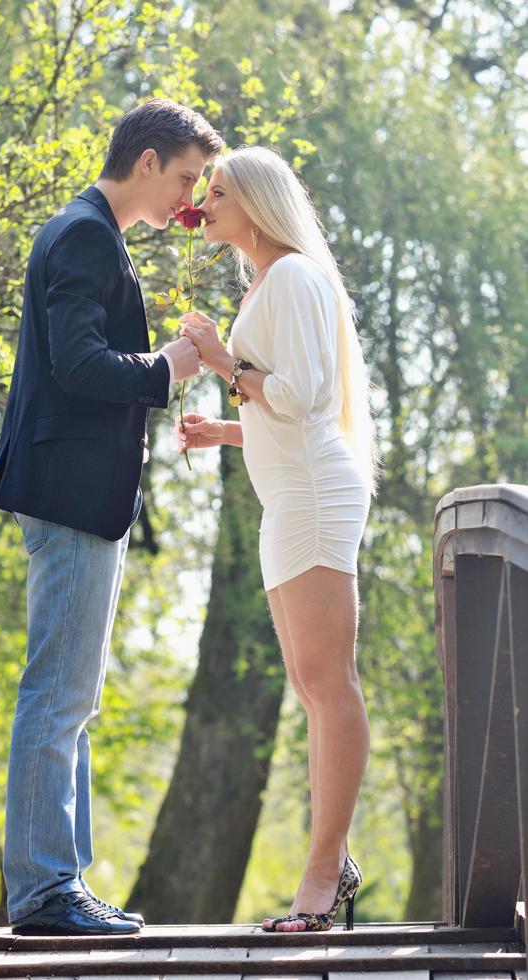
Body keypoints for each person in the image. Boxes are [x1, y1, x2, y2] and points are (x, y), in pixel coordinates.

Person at [0, 99, 223, 936]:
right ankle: (47, 891)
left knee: (70, 697)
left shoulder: (89, 231)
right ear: (149, 160)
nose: (190, 200)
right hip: (73, 492)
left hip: (73, 490)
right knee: (57, 694)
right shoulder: (86, 234)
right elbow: (80, 364)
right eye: (188, 178)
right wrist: (169, 369)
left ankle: (62, 882)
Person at [176, 146, 378, 933]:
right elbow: (282, 410)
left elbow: (304, 397)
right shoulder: (269, 281)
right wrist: (227, 430)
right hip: (289, 494)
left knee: (330, 682)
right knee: (309, 681)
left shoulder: (292, 274)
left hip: (317, 498)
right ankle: (336, 857)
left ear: (256, 201)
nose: (203, 201)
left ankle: (323, 876)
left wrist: (225, 361)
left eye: (218, 191)